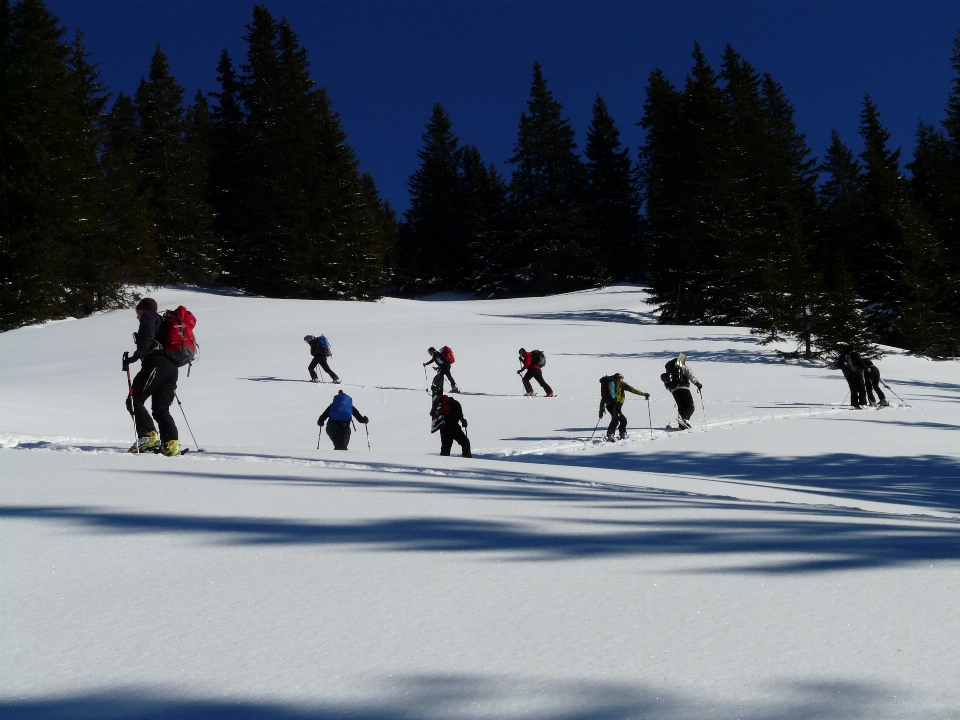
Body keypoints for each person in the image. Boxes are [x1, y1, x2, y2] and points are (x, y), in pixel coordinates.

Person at [124, 297, 180, 455]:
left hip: (156, 363)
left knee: (134, 399)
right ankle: (171, 443)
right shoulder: (162, 322)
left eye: (137, 312)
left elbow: (147, 336)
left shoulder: (149, 316)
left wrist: (137, 355)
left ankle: (148, 436)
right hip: (171, 367)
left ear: (143, 310)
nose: (137, 317)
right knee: (160, 408)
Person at [599, 373, 650, 441]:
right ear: (619, 378)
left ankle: (623, 433)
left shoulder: (609, 385)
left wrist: (601, 411)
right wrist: (644, 394)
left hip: (609, 405)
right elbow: (633, 390)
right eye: (622, 378)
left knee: (623, 420)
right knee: (616, 419)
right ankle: (610, 435)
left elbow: (603, 399)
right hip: (616, 403)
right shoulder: (620, 383)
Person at [660, 353, 702, 429]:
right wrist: (697, 383)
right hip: (683, 387)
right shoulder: (682, 366)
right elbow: (690, 375)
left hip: (674, 390)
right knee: (690, 406)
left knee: (682, 407)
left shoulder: (669, 369)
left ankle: (681, 425)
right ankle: (685, 420)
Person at [431, 393, 472, 457]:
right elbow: (460, 416)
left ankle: (444, 463)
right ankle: (467, 458)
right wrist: (463, 421)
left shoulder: (438, 404)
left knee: (445, 448)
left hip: (444, 429)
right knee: (465, 443)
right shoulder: (454, 403)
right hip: (454, 427)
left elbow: (434, 416)